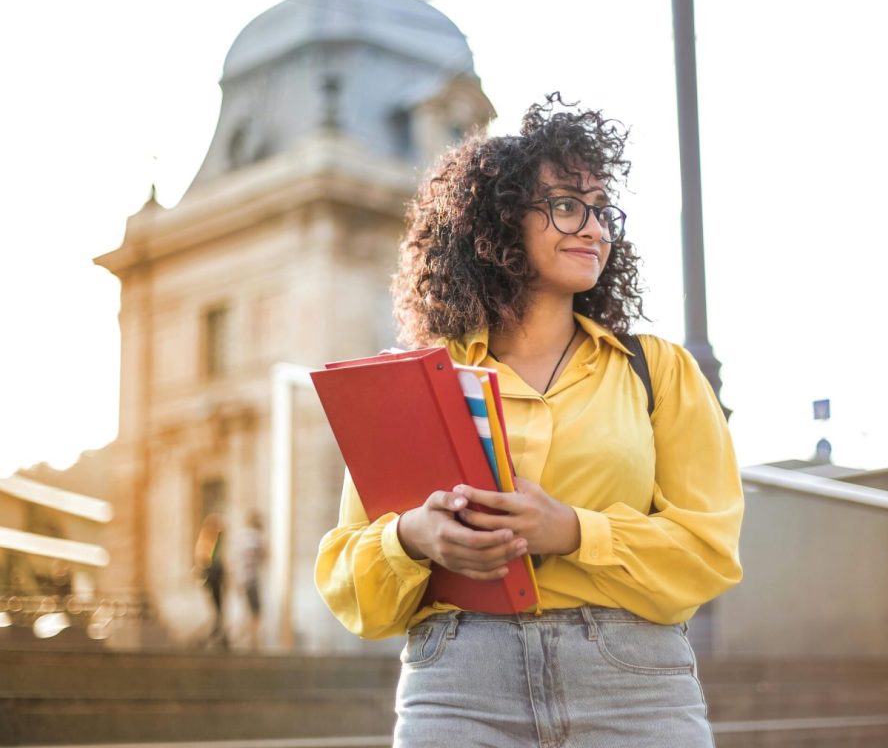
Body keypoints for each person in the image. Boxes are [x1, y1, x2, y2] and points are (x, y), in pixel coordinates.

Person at [314, 93, 744, 747]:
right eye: (568, 205)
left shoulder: (659, 371)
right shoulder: (420, 382)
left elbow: (709, 552)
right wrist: (411, 538)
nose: (595, 228)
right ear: (499, 220)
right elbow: (351, 581)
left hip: (632, 685)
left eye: (602, 211)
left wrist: (572, 531)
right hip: (458, 684)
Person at [232, 509, 267, 651]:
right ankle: (253, 641)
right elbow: (262, 555)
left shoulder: (240, 537)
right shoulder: (254, 537)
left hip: (240, 578)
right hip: (251, 579)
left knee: (245, 610)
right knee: (255, 612)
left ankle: (246, 640)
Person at [193, 512, 227, 649]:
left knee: (218, 608)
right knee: (215, 608)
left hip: (216, 576)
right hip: (212, 576)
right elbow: (203, 560)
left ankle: (218, 633)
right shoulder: (207, 541)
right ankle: (214, 633)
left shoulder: (217, 542)